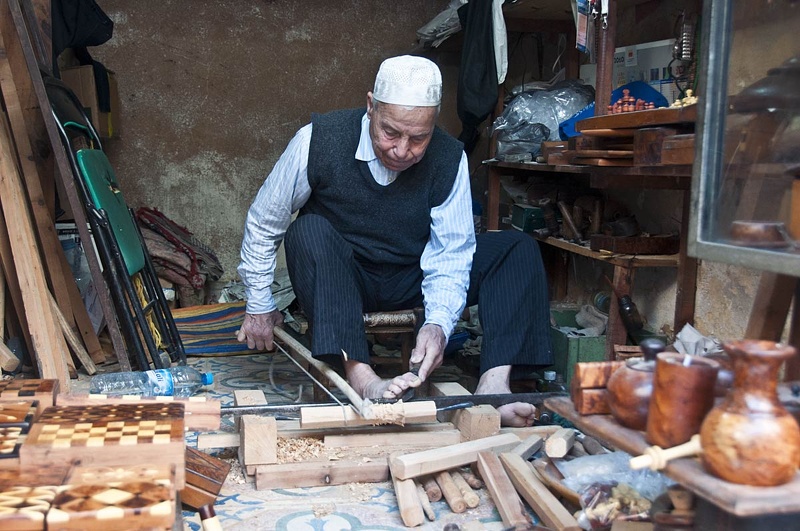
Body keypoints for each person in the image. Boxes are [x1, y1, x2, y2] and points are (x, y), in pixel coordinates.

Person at [237, 55, 553, 427]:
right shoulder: (318, 140)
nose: (402, 150)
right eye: (391, 133)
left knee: (517, 249)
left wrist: (437, 323)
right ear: (371, 106)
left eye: (418, 138)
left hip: (410, 276)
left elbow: (451, 253)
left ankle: (494, 384)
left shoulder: (449, 158)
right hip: (341, 279)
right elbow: (264, 222)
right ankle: (363, 378)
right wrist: (259, 303)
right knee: (308, 230)